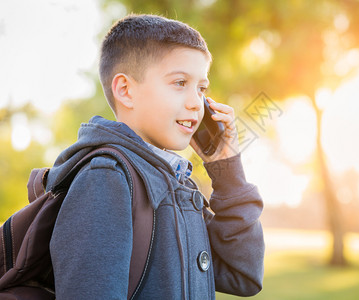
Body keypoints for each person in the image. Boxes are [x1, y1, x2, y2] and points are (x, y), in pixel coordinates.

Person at [46, 14, 264, 299]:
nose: (195, 103)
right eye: (179, 83)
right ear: (125, 90)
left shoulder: (179, 186)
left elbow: (243, 275)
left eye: (201, 88)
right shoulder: (106, 178)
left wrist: (228, 171)